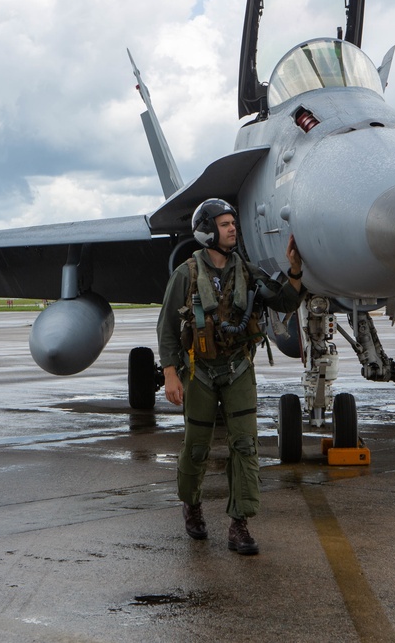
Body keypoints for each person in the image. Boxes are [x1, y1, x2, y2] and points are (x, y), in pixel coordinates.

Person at [157, 198, 304, 555]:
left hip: (238, 369)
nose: (232, 229)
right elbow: (167, 329)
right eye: (224, 224)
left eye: (232, 223)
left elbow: (284, 301)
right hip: (201, 372)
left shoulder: (248, 272)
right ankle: (191, 505)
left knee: (245, 446)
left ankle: (239, 524)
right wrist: (171, 375)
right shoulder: (186, 274)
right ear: (208, 231)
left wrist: (295, 271)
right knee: (196, 447)